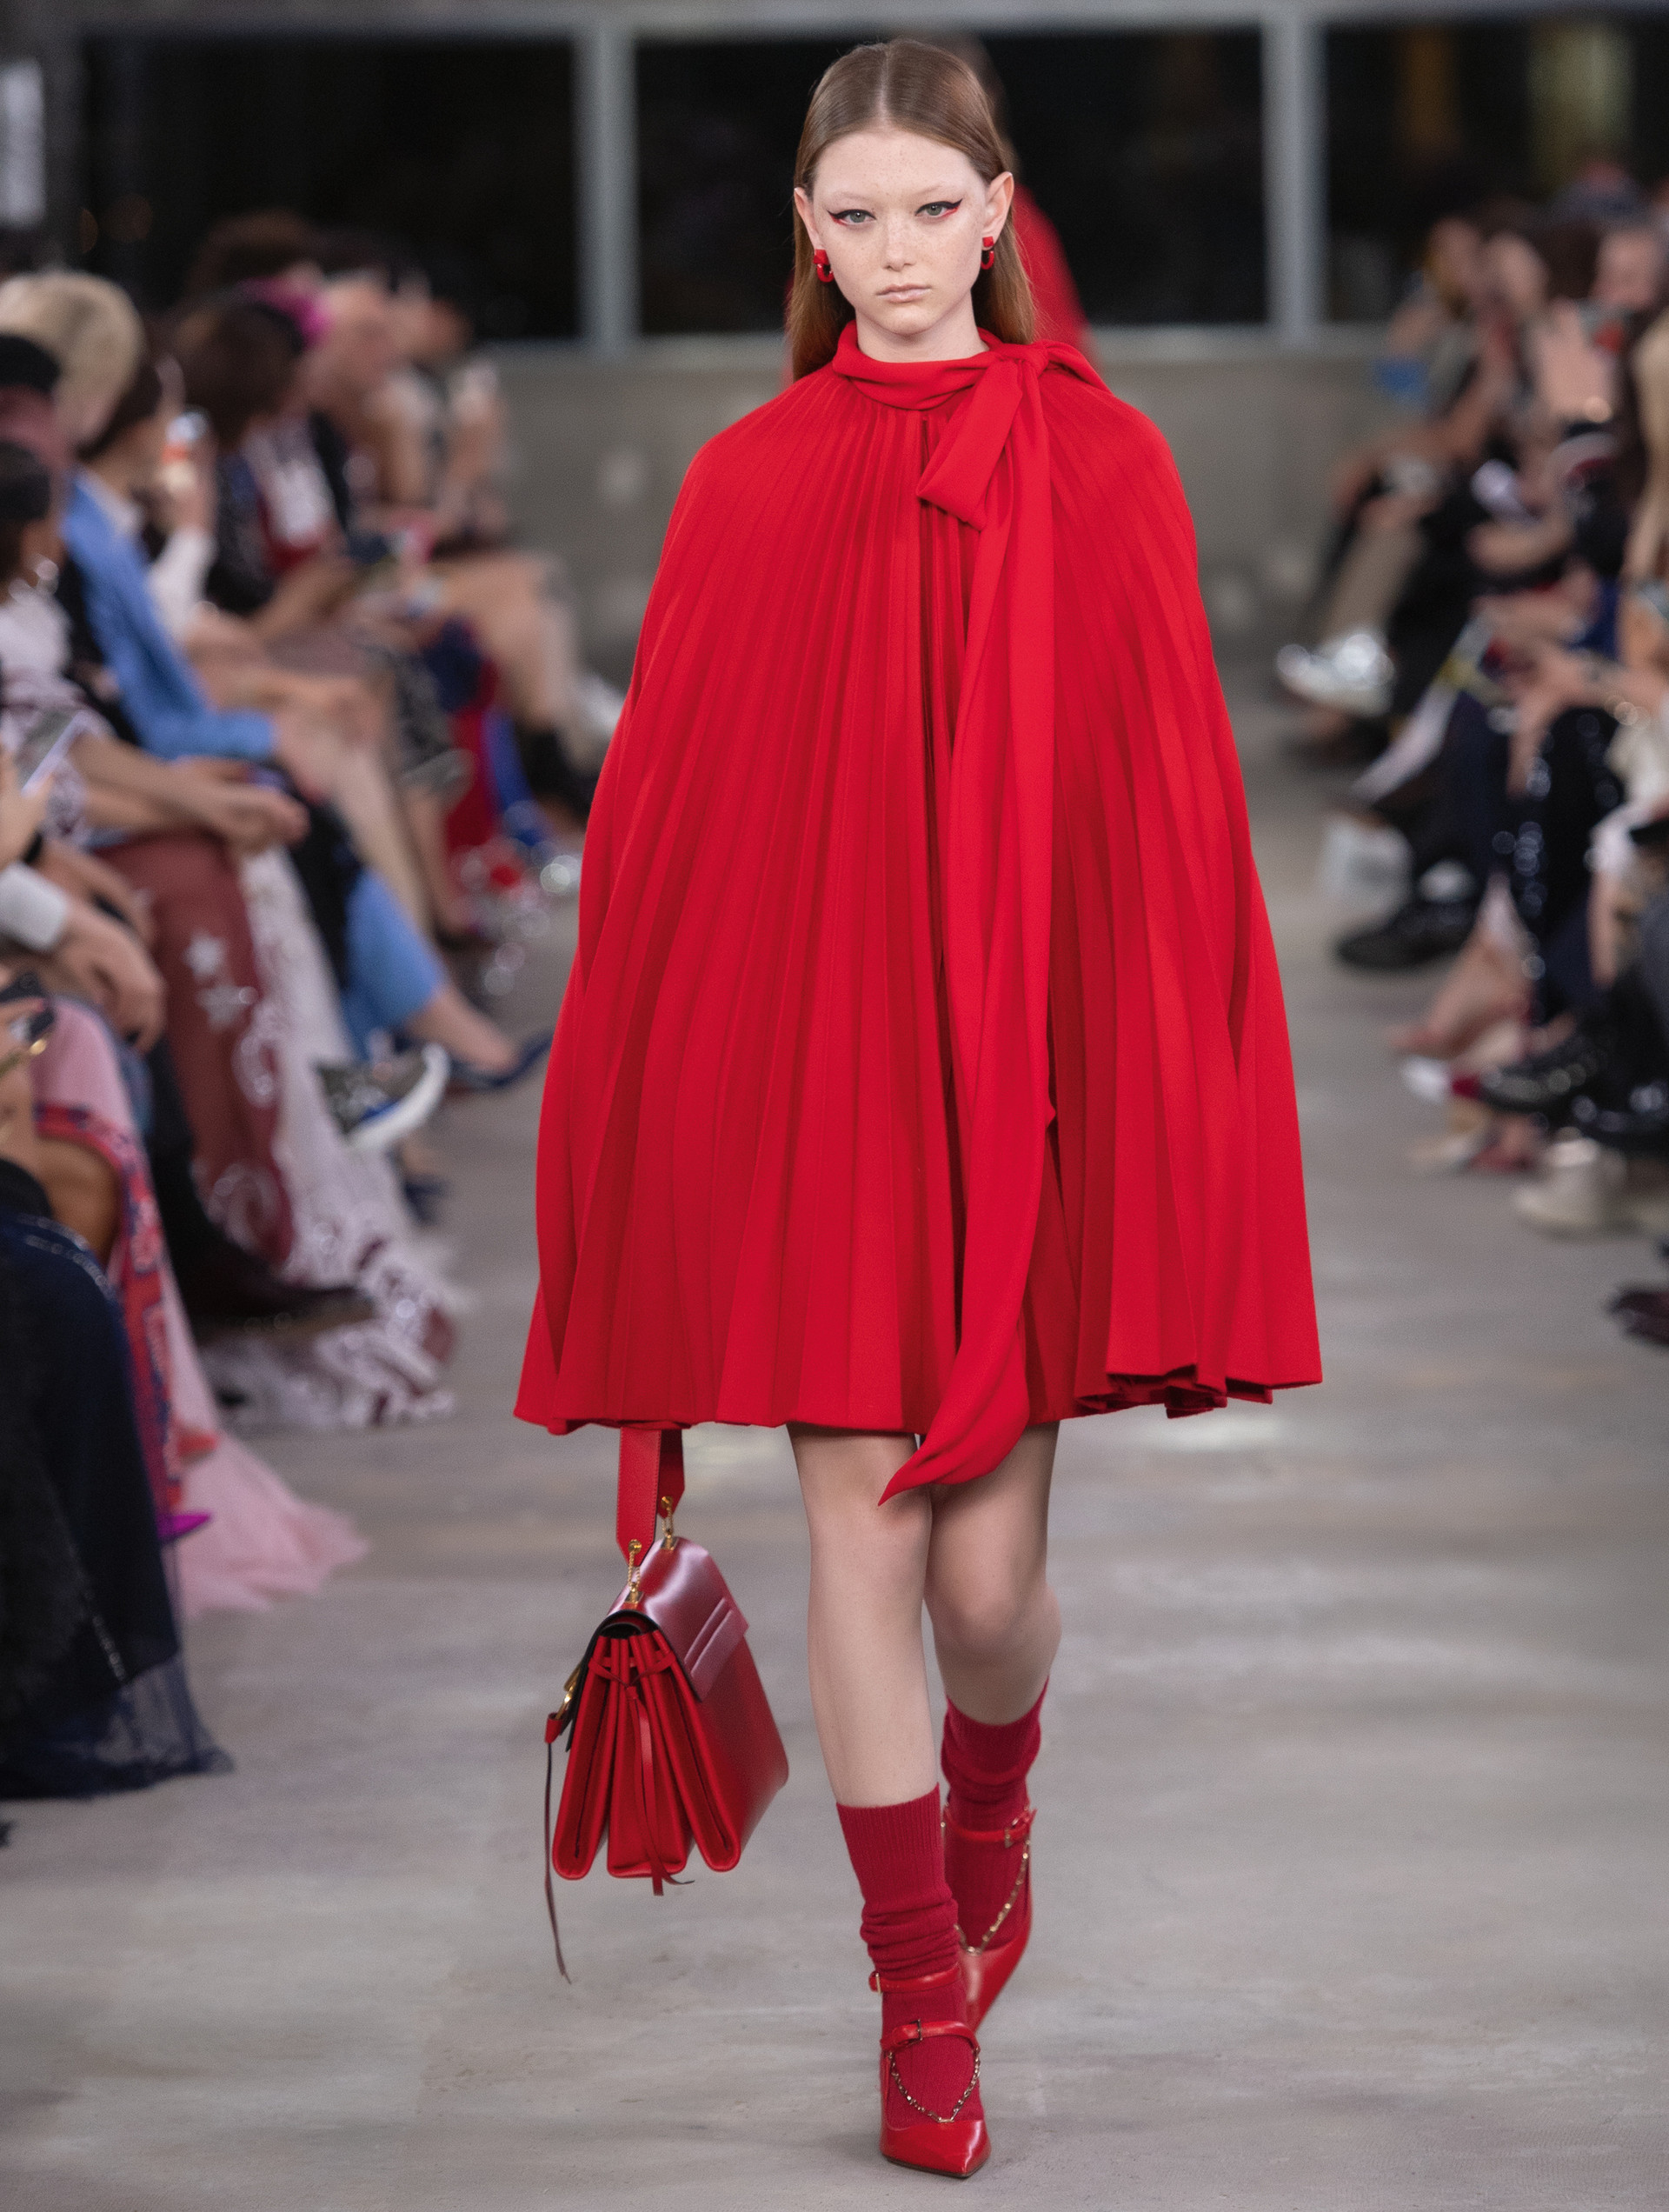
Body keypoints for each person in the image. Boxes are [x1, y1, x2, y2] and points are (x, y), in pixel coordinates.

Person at [517, 40, 1320, 2179]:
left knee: (986, 1591)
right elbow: (672, 827)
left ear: (998, 213)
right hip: (826, 1072)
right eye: (853, 216)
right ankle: (917, 2002)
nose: (892, 254)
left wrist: (1161, 1078)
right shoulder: (747, 480)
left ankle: (994, 1803)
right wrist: (657, 1093)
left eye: (928, 211)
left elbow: (1164, 810)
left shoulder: (1105, 459)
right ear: (807, 230)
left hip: (1020, 1073)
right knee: (856, 1538)